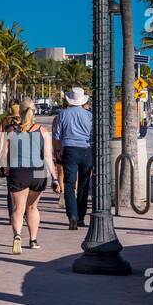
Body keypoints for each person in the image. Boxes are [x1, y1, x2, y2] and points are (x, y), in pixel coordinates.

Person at [0, 104, 58, 253]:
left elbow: (4, 156)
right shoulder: (43, 131)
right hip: (38, 173)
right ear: (34, 111)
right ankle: (33, 240)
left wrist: (5, 168)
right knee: (32, 207)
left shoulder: (11, 131)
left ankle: (17, 236)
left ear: (20, 112)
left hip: (19, 172)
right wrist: (55, 178)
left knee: (18, 209)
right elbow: (48, 157)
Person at [52, 86, 94, 230]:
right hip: (86, 150)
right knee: (84, 184)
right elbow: (93, 135)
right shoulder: (89, 115)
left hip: (69, 150)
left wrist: (57, 150)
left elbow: (57, 135)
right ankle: (81, 216)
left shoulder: (63, 114)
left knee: (69, 184)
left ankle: (72, 216)